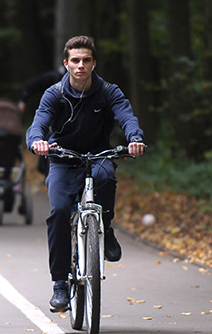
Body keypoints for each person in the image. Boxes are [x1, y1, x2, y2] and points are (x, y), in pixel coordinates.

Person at [25, 35, 147, 312]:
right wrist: (37, 142)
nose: (81, 65)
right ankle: (59, 284)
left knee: (106, 178)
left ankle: (107, 227)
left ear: (94, 63)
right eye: (75, 60)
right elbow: (38, 124)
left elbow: (126, 116)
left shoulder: (108, 92)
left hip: (98, 155)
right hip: (63, 158)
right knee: (58, 212)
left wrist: (134, 138)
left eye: (86, 60)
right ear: (66, 63)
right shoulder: (54, 94)